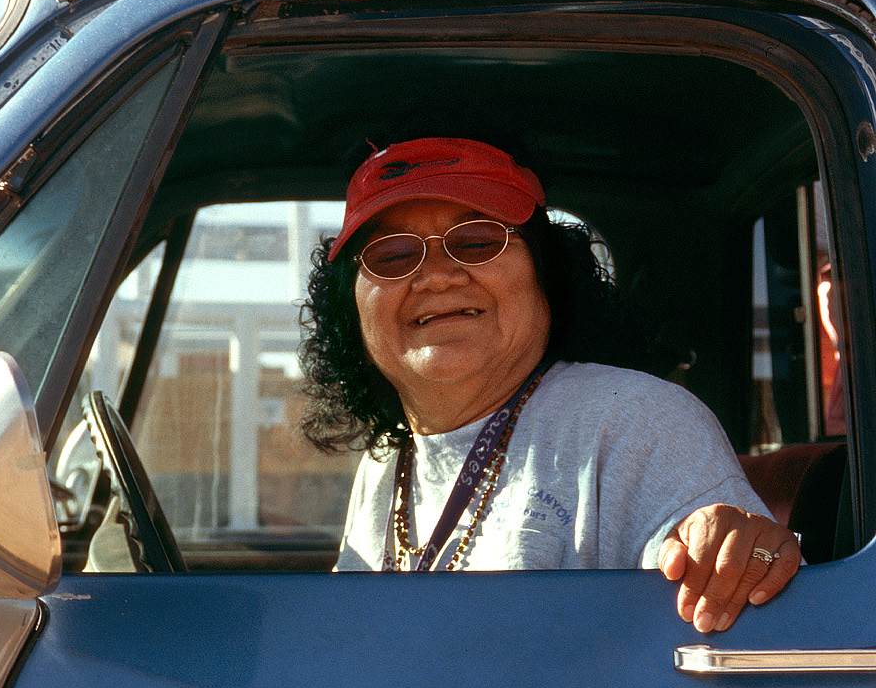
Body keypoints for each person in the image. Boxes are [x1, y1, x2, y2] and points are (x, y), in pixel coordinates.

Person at [300, 135, 800, 632]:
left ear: (547, 278)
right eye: (391, 256)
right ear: (353, 309)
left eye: (477, 241)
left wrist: (729, 550)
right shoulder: (385, 463)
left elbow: (713, 558)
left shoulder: (637, 417)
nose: (436, 276)